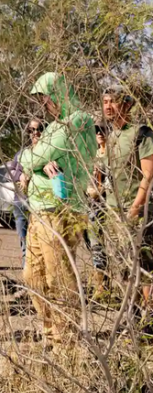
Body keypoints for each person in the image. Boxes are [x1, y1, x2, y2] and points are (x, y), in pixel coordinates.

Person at [19, 72, 96, 345]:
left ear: (59, 93)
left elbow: (35, 156)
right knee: (33, 276)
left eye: (46, 98)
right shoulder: (52, 126)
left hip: (61, 210)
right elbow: (33, 158)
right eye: (41, 100)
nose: (44, 105)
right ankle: (50, 331)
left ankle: (67, 336)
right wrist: (37, 161)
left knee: (59, 276)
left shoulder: (78, 120)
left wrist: (35, 161)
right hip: (38, 210)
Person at [102, 85, 153, 307]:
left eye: (112, 101)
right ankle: (130, 315)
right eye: (105, 102)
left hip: (135, 212)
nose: (108, 106)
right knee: (120, 265)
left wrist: (135, 208)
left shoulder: (141, 133)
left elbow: (149, 176)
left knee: (142, 266)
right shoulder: (111, 136)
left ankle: (147, 318)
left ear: (127, 104)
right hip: (112, 210)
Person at [7, 119, 45, 267]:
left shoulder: (48, 152)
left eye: (39, 128)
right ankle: (29, 279)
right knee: (25, 244)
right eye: (31, 130)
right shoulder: (21, 153)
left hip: (40, 203)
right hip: (20, 202)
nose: (35, 132)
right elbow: (10, 172)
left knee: (41, 243)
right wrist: (20, 175)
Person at [86, 121, 110, 300]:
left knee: (114, 246)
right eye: (97, 130)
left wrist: (100, 190)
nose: (100, 133)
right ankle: (101, 285)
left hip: (111, 203)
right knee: (95, 244)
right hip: (94, 204)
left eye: (103, 129)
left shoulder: (114, 152)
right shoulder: (92, 154)